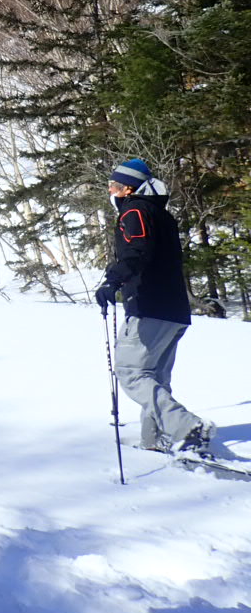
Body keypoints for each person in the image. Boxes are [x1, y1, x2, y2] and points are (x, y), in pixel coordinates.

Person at [96, 159, 215, 455]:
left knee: (131, 372)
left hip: (149, 307)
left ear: (128, 189)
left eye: (113, 185)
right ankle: (154, 440)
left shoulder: (135, 211)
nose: (110, 190)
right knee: (155, 377)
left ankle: (187, 426)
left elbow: (137, 251)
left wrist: (113, 281)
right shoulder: (161, 214)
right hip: (173, 310)